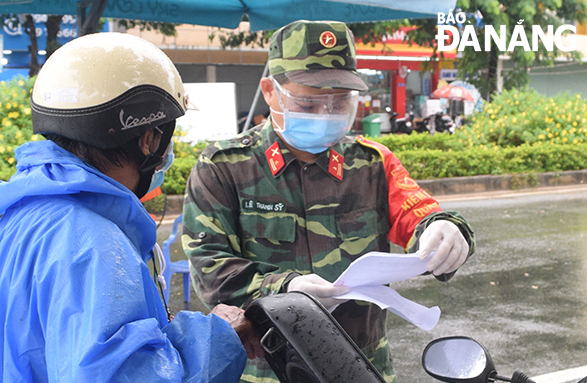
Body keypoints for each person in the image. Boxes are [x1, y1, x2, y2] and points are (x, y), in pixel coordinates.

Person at [0, 32, 263, 383]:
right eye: (167, 136)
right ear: (149, 139)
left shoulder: (21, 218)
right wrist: (219, 336)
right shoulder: (92, 243)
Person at [182, 20, 475, 383]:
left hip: (360, 367)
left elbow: (419, 213)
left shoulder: (371, 164)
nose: (325, 114)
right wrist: (285, 289)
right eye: (309, 102)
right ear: (270, 92)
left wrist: (445, 228)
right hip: (267, 371)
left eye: (339, 102)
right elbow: (210, 268)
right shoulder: (225, 168)